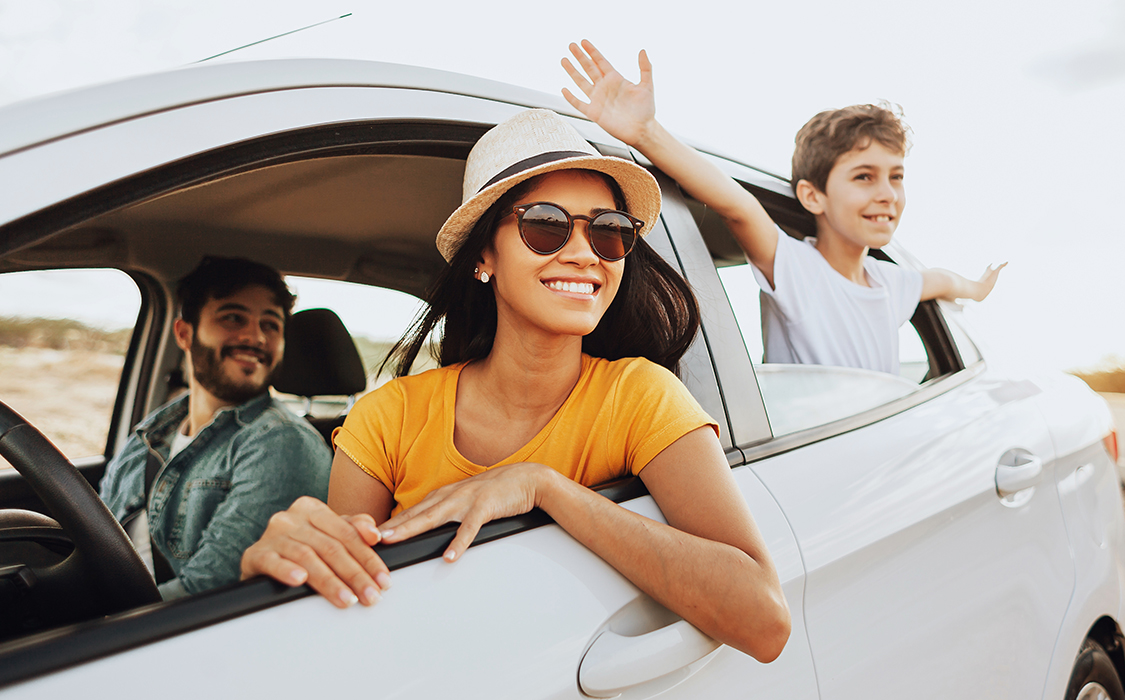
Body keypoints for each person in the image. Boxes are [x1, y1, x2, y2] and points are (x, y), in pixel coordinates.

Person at [240, 109, 791, 663]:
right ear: (484, 254)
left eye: (609, 231)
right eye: (547, 225)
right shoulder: (387, 419)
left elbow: (764, 621)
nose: (583, 252)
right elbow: (337, 610)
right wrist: (280, 569)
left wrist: (545, 488)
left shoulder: (640, 397)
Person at [561, 40, 1006, 375]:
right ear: (813, 197)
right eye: (864, 176)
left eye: (896, 176)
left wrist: (976, 287)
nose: (887, 192)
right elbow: (738, 206)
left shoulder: (893, 282)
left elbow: (942, 280)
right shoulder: (798, 269)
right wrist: (645, 132)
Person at [99, 257, 331, 599]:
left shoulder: (280, 442)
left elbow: (208, 595)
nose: (255, 337)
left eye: (271, 325)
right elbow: (94, 533)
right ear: (184, 333)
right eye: (233, 318)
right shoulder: (152, 431)